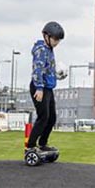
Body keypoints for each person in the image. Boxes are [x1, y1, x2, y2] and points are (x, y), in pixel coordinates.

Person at [28, 21, 65, 152]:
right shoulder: (41, 50)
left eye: (58, 40)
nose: (56, 42)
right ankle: (31, 146)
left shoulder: (49, 49)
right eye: (55, 39)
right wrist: (39, 88)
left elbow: (47, 69)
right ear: (46, 36)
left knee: (52, 118)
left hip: (48, 88)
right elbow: (37, 70)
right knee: (43, 117)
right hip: (40, 88)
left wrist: (58, 75)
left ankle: (43, 143)